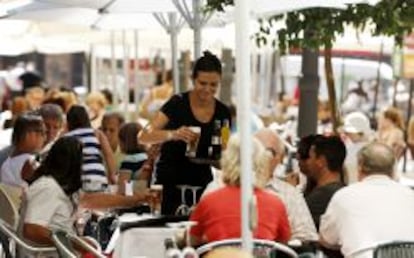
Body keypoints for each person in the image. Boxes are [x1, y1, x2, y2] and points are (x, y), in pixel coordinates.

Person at [138, 51, 232, 215]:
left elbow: (224, 152)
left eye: (213, 85)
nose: (207, 90)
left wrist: (214, 159)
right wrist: (173, 134)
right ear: (193, 79)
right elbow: (144, 135)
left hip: (202, 187)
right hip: (169, 185)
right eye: (202, 83)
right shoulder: (177, 103)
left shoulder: (223, 113)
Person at [23, 136, 148, 253]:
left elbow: (91, 200)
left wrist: (136, 200)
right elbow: (31, 230)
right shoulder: (47, 187)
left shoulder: (61, 185)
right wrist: (76, 243)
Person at [189, 135, 290, 246]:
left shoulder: (209, 201)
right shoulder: (276, 203)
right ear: (262, 163)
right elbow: (283, 242)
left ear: (226, 162)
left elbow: (192, 241)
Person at [320, 143, 414, 258]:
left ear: (359, 167)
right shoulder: (410, 195)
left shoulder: (344, 196)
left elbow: (327, 240)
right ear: (393, 170)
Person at [255, 128, 318, 242]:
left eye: (268, 152)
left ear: (280, 158)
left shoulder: (289, 194)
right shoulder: (221, 188)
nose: (260, 157)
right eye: (255, 150)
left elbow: (307, 236)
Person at [65, 105, 116, 192]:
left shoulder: (67, 137)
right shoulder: (96, 133)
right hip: (98, 176)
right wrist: (112, 175)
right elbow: (108, 154)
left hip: (78, 179)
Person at [304, 135, 346, 230]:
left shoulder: (319, 198)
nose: (307, 163)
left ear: (321, 161)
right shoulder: (346, 193)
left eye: (310, 157)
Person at [0, 113, 45, 187]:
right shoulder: (30, 163)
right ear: (27, 135)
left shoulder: (7, 161)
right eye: (42, 133)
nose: (44, 138)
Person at [341, 112, 373, 184]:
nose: (347, 134)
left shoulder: (370, 149)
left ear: (360, 132)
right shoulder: (350, 144)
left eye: (349, 132)